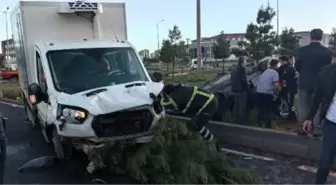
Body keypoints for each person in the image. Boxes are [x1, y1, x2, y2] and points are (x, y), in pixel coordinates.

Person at [303, 52, 336, 185]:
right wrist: (310, 117)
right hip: (331, 123)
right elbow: (318, 96)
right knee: (326, 159)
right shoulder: (327, 72)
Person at [295, 28, 333, 137]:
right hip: (320, 84)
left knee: (303, 106)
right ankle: (316, 129)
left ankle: (303, 128)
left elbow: (297, 66)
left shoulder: (302, 50)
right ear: (321, 37)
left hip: (304, 82)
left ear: (311, 37)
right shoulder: (327, 52)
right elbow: (328, 69)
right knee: (318, 106)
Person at [160, 83, 220, 150]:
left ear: (170, 93)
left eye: (168, 96)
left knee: (197, 125)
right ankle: (202, 143)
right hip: (203, 103)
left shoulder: (179, 95)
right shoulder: (180, 90)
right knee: (191, 122)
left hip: (209, 104)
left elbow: (167, 104)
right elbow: (182, 109)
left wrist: (157, 100)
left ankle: (215, 144)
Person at [256, 59, 281, 128]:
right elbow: (276, 85)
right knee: (268, 109)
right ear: (276, 65)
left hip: (259, 91)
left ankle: (260, 122)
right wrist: (276, 94)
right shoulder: (275, 73)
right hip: (267, 92)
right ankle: (268, 124)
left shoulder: (265, 72)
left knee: (261, 108)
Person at [230, 56, 248, 124]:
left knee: (236, 105)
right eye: (245, 61)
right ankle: (241, 121)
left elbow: (231, 79)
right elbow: (243, 80)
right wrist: (247, 87)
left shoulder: (233, 69)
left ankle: (234, 119)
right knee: (241, 106)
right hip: (241, 90)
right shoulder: (242, 68)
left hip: (234, 90)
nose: (246, 62)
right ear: (243, 62)